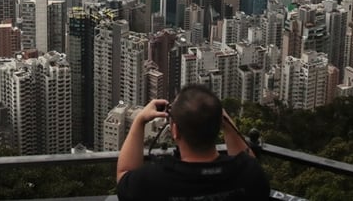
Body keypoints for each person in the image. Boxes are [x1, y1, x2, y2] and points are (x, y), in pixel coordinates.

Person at [116, 84, 271, 200]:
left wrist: (140, 120)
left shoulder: (153, 181)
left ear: (175, 131)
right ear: (220, 124)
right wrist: (224, 121)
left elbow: (124, 173)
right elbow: (248, 161)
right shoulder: (249, 175)